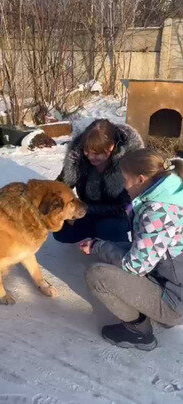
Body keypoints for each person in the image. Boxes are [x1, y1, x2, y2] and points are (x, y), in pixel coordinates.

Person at [80, 149, 183, 350]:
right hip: (173, 282)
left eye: (124, 179)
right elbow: (147, 249)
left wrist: (98, 247)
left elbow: (135, 265)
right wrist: (99, 244)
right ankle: (163, 313)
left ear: (140, 179)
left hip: (176, 298)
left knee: (97, 275)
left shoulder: (158, 212)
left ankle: (138, 332)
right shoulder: (172, 193)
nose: (122, 186)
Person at [54, 119, 143, 243]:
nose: (90, 157)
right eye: (86, 151)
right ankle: (93, 232)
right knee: (61, 232)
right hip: (87, 209)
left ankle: (114, 245)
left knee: (108, 228)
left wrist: (85, 210)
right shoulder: (78, 155)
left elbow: (125, 205)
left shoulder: (128, 161)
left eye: (96, 154)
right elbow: (62, 185)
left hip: (118, 214)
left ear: (111, 147)